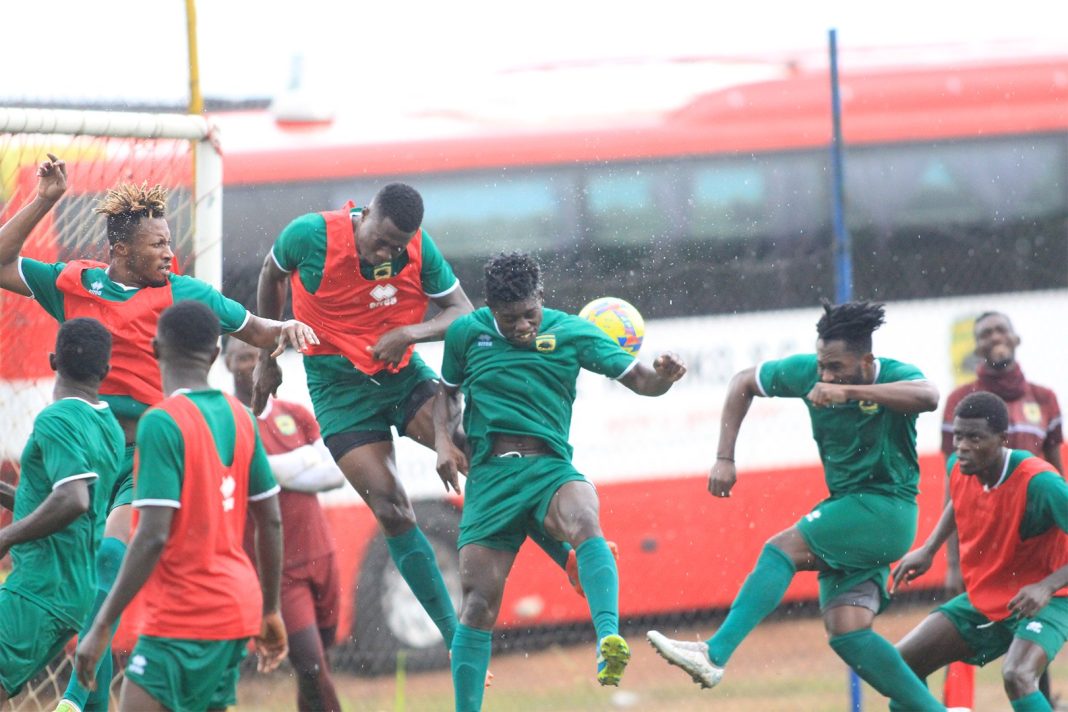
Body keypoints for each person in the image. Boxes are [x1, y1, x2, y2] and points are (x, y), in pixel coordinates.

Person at [0, 155, 316, 712]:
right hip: (88, 451)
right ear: (121, 249)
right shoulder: (77, 284)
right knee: (80, 584)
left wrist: (286, 328)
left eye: (171, 242)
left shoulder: (186, 294)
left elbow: (254, 328)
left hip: (148, 453)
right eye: (158, 244)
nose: (171, 253)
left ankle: (73, 698)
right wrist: (45, 200)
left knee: (109, 559)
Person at [255, 185, 577, 659]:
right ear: (365, 214)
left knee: (486, 455)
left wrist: (409, 332)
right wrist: (267, 353)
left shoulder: (418, 249)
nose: (388, 253)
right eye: (381, 241)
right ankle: (453, 638)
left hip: (403, 377)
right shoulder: (309, 236)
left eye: (398, 246)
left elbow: (462, 311)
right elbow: (271, 274)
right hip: (339, 392)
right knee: (391, 509)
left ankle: (567, 557)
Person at [646, 300, 946, 711]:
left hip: (886, 509)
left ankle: (713, 655)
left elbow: (929, 396)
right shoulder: (808, 372)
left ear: (866, 361)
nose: (826, 376)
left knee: (781, 549)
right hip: (849, 509)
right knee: (847, 631)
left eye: (836, 367)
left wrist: (849, 391)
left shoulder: (893, 375)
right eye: (823, 365)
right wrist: (725, 458)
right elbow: (742, 382)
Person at [433, 252, 686, 710]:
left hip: (548, 468)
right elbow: (446, 394)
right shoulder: (466, 333)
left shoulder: (573, 332)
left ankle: (608, 638)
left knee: (585, 518)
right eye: (510, 319)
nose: (522, 327)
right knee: (478, 606)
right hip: (490, 479)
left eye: (530, 314)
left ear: (542, 298)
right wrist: (443, 443)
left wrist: (664, 379)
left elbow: (641, 380)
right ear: (491, 309)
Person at [73, 300, 288, 711]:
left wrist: (101, 626)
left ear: (156, 349)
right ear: (215, 355)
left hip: (184, 615)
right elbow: (272, 521)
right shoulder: (241, 416)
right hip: (237, 609)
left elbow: (152, 536)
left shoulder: (162, 421)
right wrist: (271, 608)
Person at [892, 391, 1068, 712]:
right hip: (990, 594)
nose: (962, 446)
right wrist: (929, 549)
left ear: (1002, 439)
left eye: (974, 438)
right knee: (900, 666)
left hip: (1053, 596)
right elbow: (957, 501)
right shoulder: (960, 467)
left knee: (1017, 675)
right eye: (958, 436)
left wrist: (1046, 586)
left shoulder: (1040, 482)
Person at [939, 311, 1062, 710]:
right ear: (975, 347)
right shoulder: (961, 403)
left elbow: (1056, 468)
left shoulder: (1043, 398)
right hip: (989, 545)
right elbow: (956, 486)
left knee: (1027, 659)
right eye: (985, 333)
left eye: (1000, 330)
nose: (994, 337)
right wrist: (950, 561)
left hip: (1037, 547)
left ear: (1015, 337)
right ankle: (962, 705)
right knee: (961, 640)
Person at [0, 319, 124, 708]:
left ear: (54, 360)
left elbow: (73, 500)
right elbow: (62, 502)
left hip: (39, 589)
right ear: (105, 371)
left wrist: (6, 537)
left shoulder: (56, 419)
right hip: (73, 593)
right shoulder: (109, 426)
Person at [224, 338, 344, 712]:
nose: (250, 365)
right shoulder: (229, 421)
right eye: (241, 357)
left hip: (321, 554)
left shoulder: (295, 413)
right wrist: (303, 459)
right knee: (309, 666)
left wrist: (270, 470)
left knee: (319, 662)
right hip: (279, 569)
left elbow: (335, 475)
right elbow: (244, 474)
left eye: (255, 356)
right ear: (225, 363)